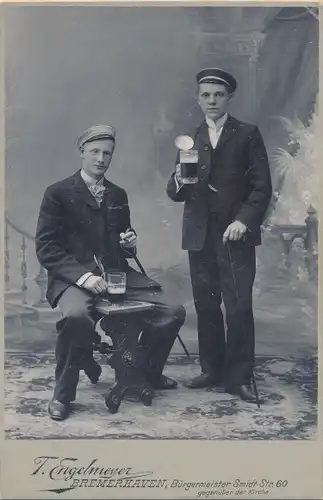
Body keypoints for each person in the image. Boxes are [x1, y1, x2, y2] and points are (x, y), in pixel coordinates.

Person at [36, 125, 186, 421]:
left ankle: (147, 373)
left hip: (118, 275)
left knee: (173, 310)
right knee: (77, 316)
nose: (101, 158)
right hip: (74, 278)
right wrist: (83, 278)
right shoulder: (57, 193)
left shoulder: (118, 193)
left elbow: (122, 245)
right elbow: (46, 247)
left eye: (107, 153)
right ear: (82, 153)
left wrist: (129, 243)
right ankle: (63, 394)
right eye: (95, 152)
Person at [166, 68, 272, 403]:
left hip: (234, 235)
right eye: (206, 95)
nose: (212, 101)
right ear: (198, 99)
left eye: (218, 95)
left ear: (229, 98)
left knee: (238, 306)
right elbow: (175, 191)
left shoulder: (247, 134)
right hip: (199, 235)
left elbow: (262, 188)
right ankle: (211, 369)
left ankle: (238, 377)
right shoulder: (190, 138)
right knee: (206, 304)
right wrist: (179, 181)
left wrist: (243, 220)